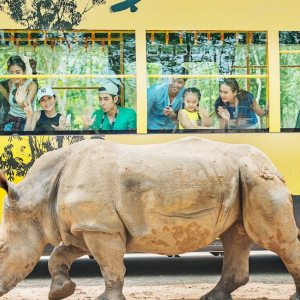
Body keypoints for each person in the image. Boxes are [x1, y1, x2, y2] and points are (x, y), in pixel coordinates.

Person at [2, 55, 38, 131]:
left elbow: (28, 109)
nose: (14, 75)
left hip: (25, 122)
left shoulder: (31, 85)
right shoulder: (10, 83)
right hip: (10, 121)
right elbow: (10, 100)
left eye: (18, 72)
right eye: (11, 73)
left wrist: (21, 102)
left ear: (24, 72)